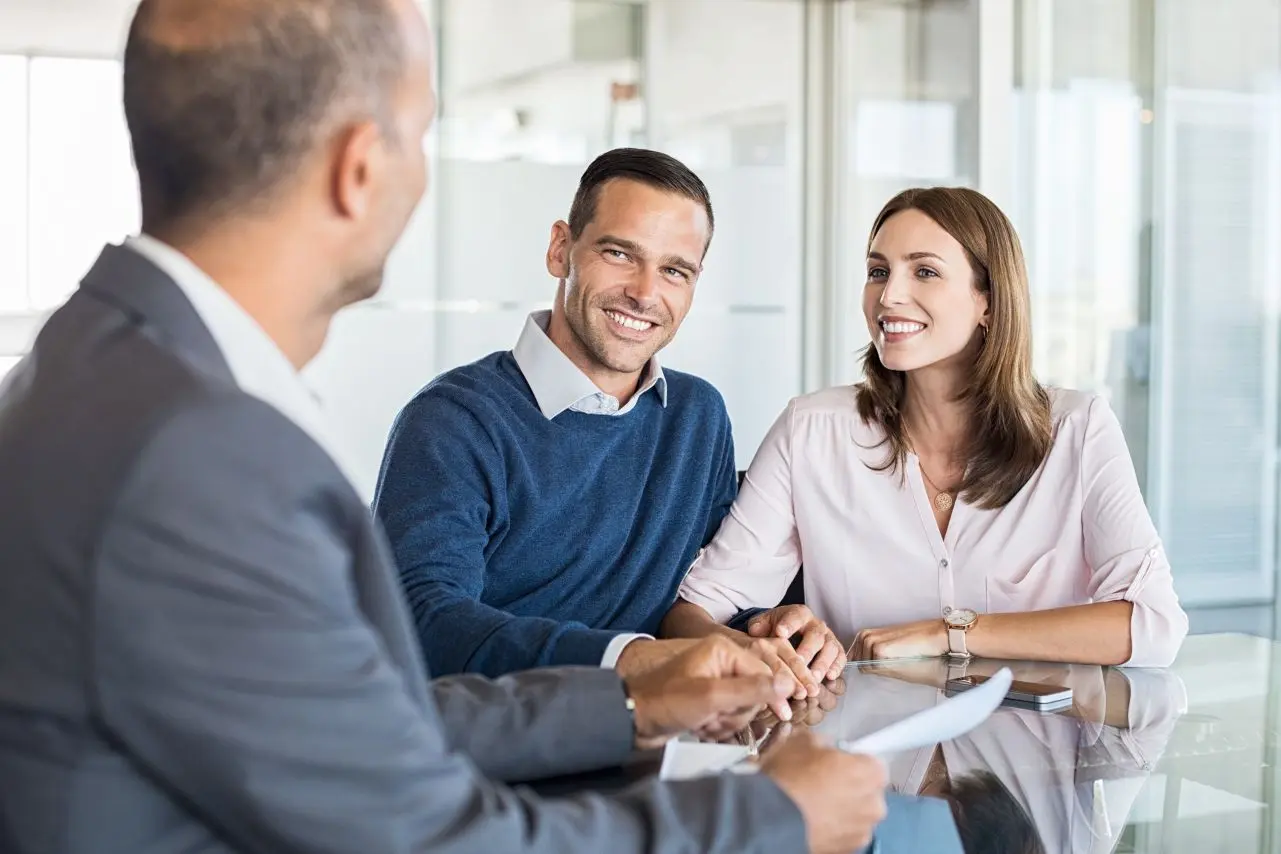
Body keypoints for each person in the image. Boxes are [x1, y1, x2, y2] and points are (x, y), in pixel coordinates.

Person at [0, 1, 926, 852]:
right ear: (360, 166)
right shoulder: (202, 452)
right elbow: (422, 832)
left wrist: (629, 704)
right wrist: (770, 818)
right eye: (422, 133)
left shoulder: (110, 378)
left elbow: (358, 726)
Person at [372, 146, 841, 697]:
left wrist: (768, 629)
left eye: (674, 270)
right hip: (497, 735)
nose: (644, 293)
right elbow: (425, 624)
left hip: (658, 730)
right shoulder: (452, 421)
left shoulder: (697, 417)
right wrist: (633, 658)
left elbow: (699, 596)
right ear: (560, 249)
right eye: (619, 253)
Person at [665, 186, 1188, 669]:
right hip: (863, 739)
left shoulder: (1077, 430)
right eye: (878, 271)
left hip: (1037, 739)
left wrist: (950, 633)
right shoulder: (811, 432)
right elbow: (692, 613)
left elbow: (1154, 626)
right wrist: (765, 654)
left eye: (925, 272)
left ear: (988, 301)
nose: (889, 295)